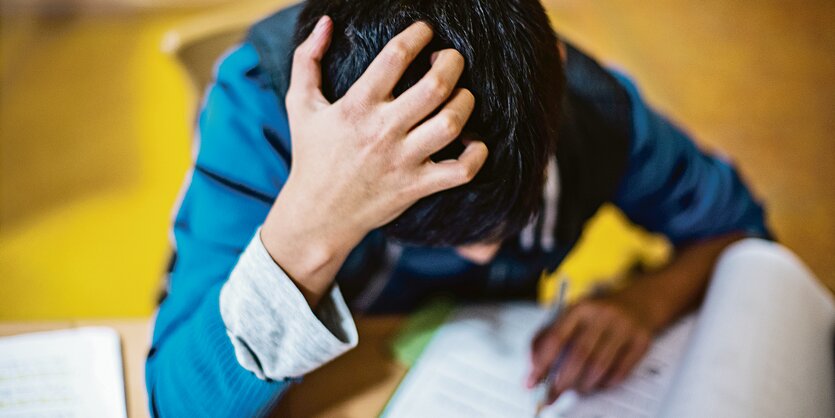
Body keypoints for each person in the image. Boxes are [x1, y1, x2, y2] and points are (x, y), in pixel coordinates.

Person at [144, 0, 771, 416]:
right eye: (444, 241)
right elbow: (175, 403)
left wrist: (646, 300)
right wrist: (309, 222)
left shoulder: (596, 114)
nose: (484, 255)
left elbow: (743, 233)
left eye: (510, 223)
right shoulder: (259, 114)